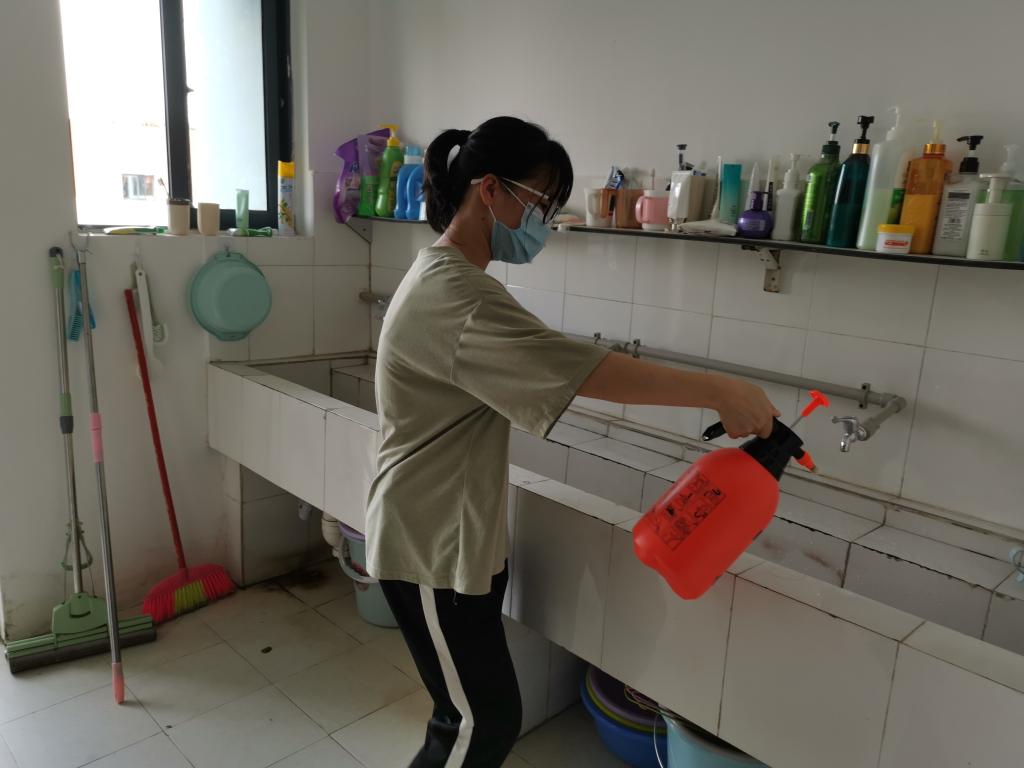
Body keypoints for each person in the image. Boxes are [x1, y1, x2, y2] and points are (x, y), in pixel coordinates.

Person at [365, 116, 778, 768]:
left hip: (451, 538)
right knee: (475, 726)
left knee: (480, 718)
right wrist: (717, 390)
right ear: (490, 190)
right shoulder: (456, 294)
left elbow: (554, 366)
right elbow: (581, 370)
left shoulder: (449, 277)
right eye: (541, 204)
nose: (547, 224)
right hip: (428, 546)